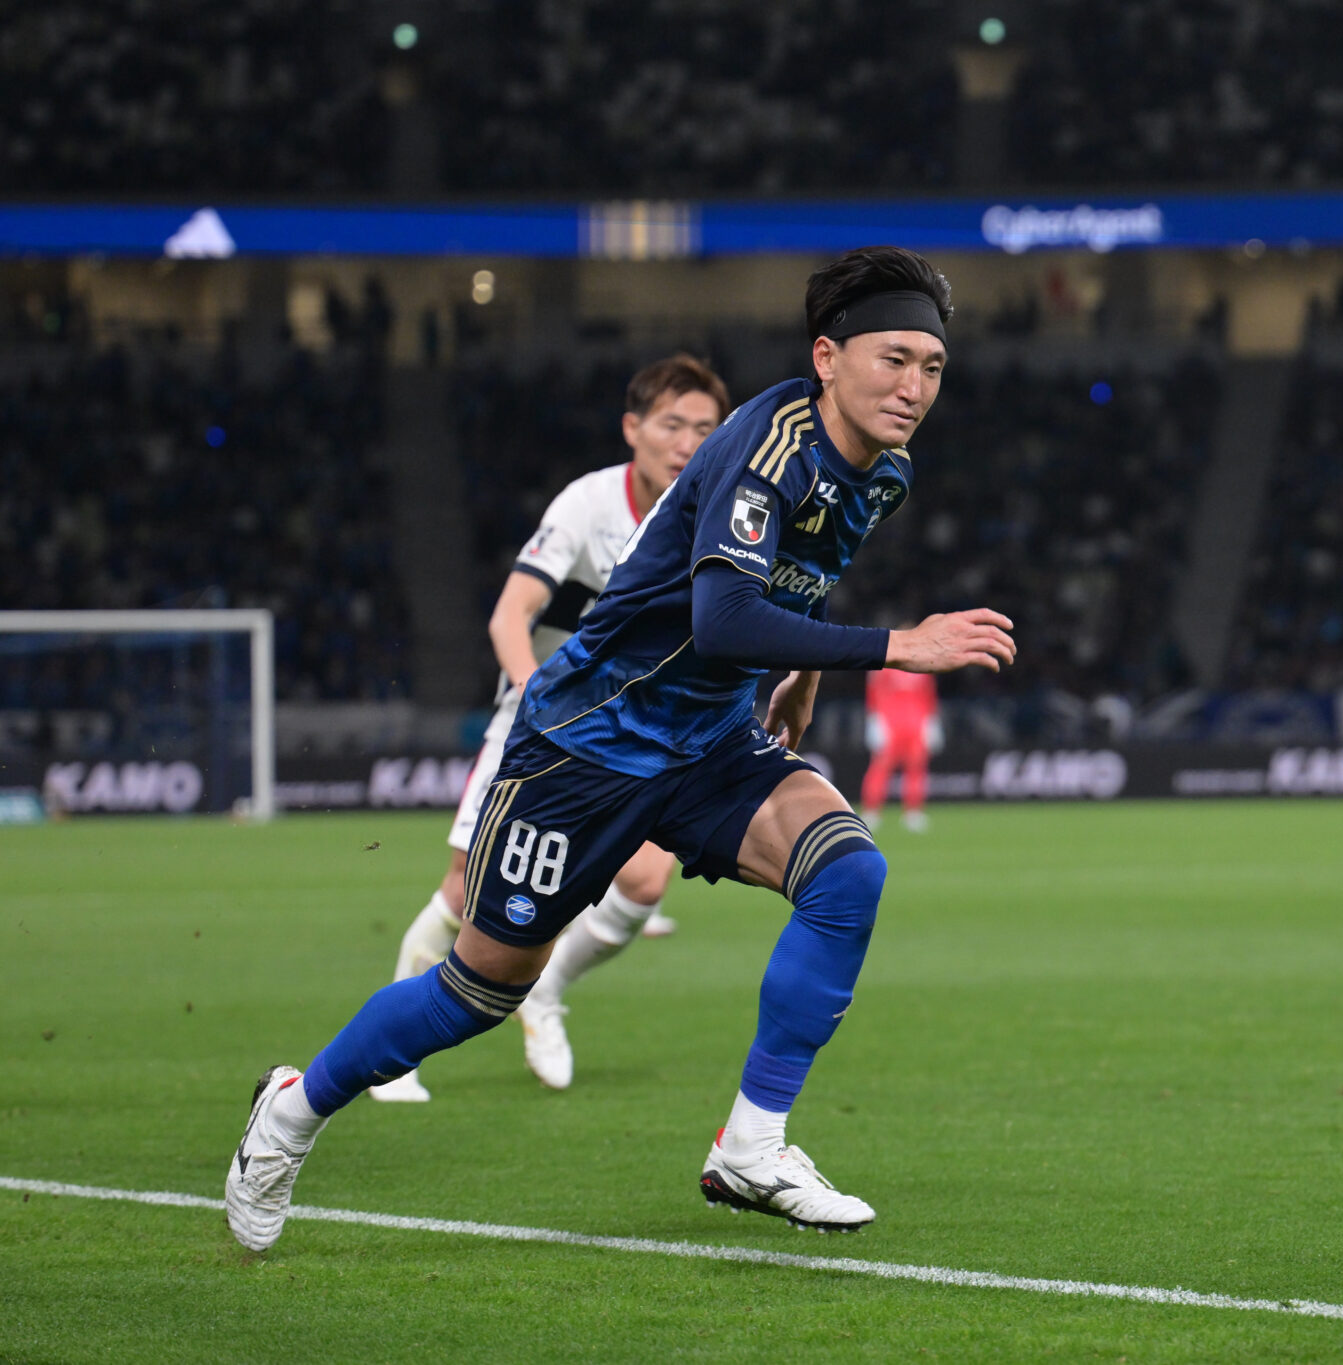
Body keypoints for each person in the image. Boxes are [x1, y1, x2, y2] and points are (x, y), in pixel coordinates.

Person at [227, 246, 1015, 1250]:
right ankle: (291, 1111)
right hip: (586, 744)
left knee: (848, 871)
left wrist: (806, 674)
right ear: (827, 357)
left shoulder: (884, 472)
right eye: (893, 359)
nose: (914, 386)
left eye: (932, 366)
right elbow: (723, 620)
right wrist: (898, 646)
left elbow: (802, 573)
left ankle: (753, 1144)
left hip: (710, 741)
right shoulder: (765, 447)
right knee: (480, 989)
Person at [370, 353, 730, 1102]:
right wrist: (541, 704)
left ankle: (546, 990)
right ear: (632, 428)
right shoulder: (589, 503)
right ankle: (389, 1057)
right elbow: (510, 615)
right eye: (672, 425)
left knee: (646, 878)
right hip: (540, 718)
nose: (688, 443)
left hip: (631, 726)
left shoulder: (718, 513)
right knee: (468, 892)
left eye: (705, 428)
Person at [860, 656, 940, 831]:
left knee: (916, 768)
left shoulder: (922, 666)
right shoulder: (883, 666)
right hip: (890, 724)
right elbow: (872, 693)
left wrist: (931, 723)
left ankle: (913, 812)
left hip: (916, 724)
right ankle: (871, 811)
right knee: (880, 768)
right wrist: (874, 721)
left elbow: (929, 696)